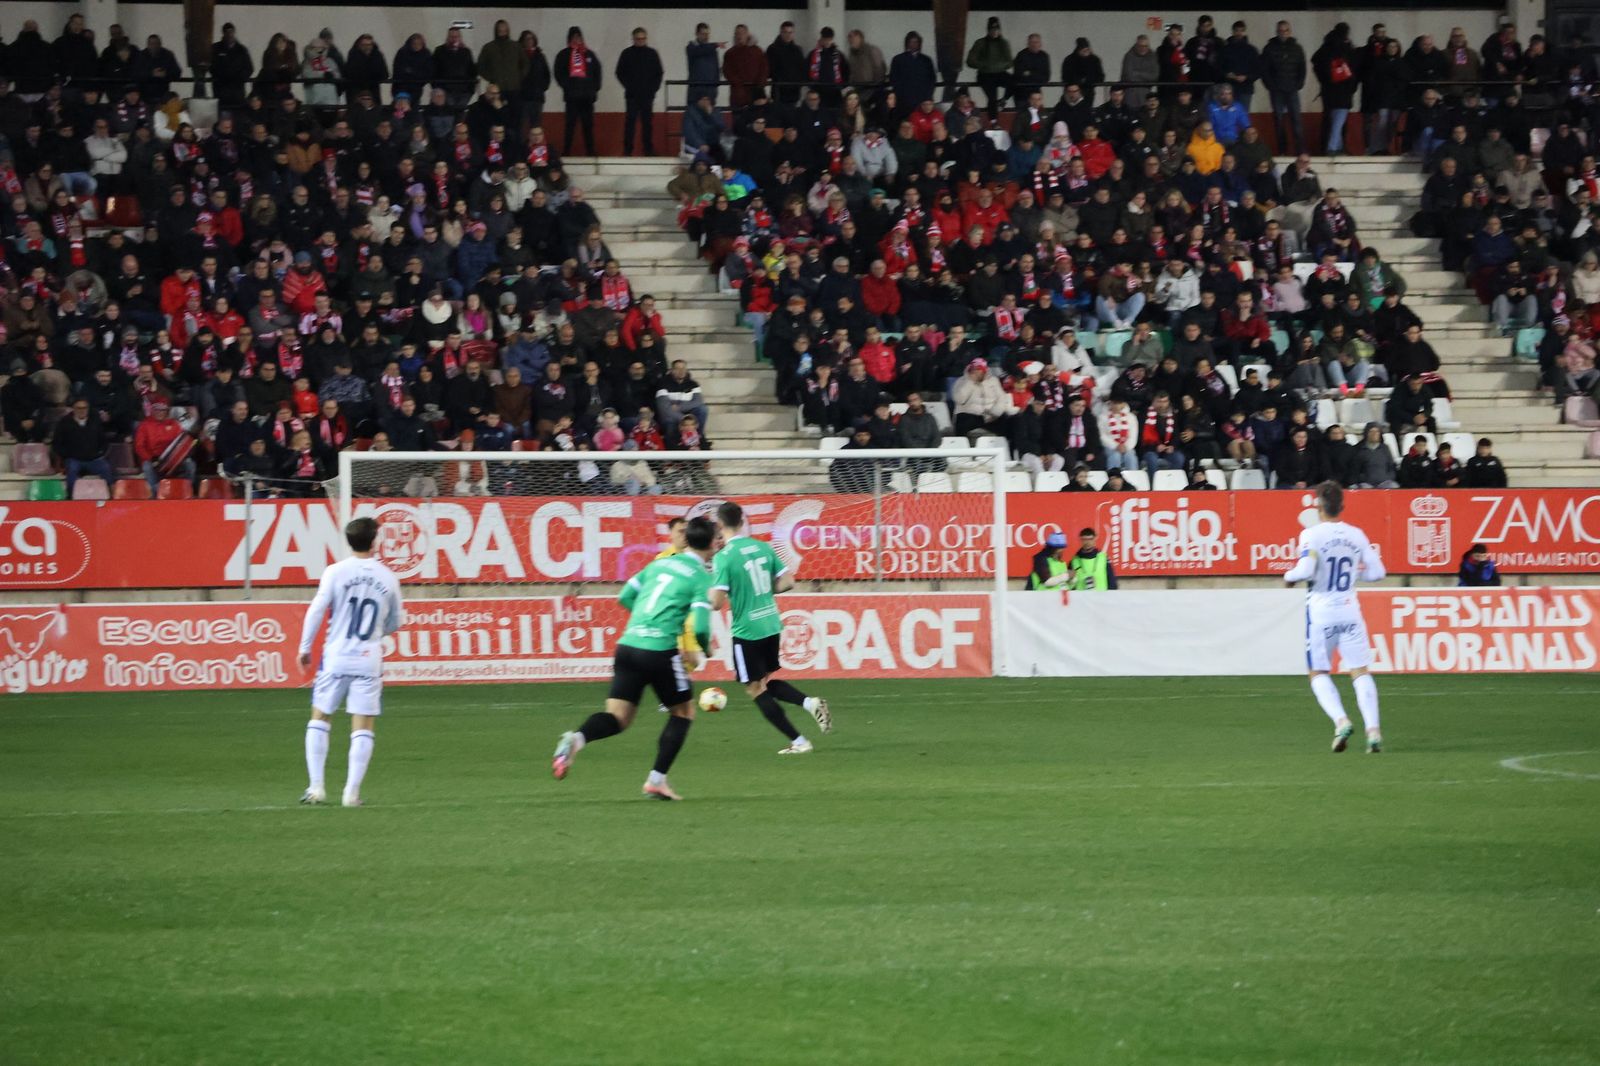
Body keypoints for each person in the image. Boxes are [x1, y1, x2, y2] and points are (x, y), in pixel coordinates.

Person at [550, 516, 718, 801]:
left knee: (618, 717)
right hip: (658, 650)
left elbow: (626, 596)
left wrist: (646, 623)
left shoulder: (658, 564)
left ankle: (575, 739)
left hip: (627, 646)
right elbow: (701, 627)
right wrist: (704, 647)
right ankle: (656, 781)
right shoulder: (702, 577)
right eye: (718, 539)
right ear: (713, 544)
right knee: (683, 712)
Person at [296, 517, 405, 807]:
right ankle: (351, 793)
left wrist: (305, 647)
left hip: (336, 656)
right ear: (374, 541)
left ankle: (316, 787)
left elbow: (317, 610)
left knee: (320, 718)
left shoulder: (334, 572)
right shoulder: (387, 577)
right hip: (368, 660)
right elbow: (396, 621)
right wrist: (375, 633)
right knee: (363, 726)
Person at [711, 502, 832, 755]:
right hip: (771, 623)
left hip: (747, 630)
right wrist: (764, 593)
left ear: (720, 525)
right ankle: (810, 703)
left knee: (754, 689)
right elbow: (788, 581)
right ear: (742, 523)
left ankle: (799, 741)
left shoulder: (723, 556)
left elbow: (717, 603)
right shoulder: (763, 547)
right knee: (765, 682)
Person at [1282, 481, 1386, 754]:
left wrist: (1288, 577)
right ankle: (1373, 730)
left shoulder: (1311, 535)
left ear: (1317, 505)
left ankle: (1341, 721)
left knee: (1317, 672)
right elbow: (1378, 573)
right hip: (1350, 610)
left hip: (1322, 613)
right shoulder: (1356, 535)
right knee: (1360, 671)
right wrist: (1354, 574)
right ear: (1342, 505)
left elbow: (1305, 569)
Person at [617, 28, 664, 157]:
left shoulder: (652, 53)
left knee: (647, 124)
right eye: (638, 38)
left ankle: (648, 149)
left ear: (646, 39)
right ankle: (627, 150)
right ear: (633, 39)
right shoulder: (626, 53)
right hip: (632, 95)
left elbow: (659, 73)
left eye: (643, 38)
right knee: (630, 123)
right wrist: (629, 87)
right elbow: (619, 72)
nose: (641, 41)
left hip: (647, 96)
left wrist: (653, 89)